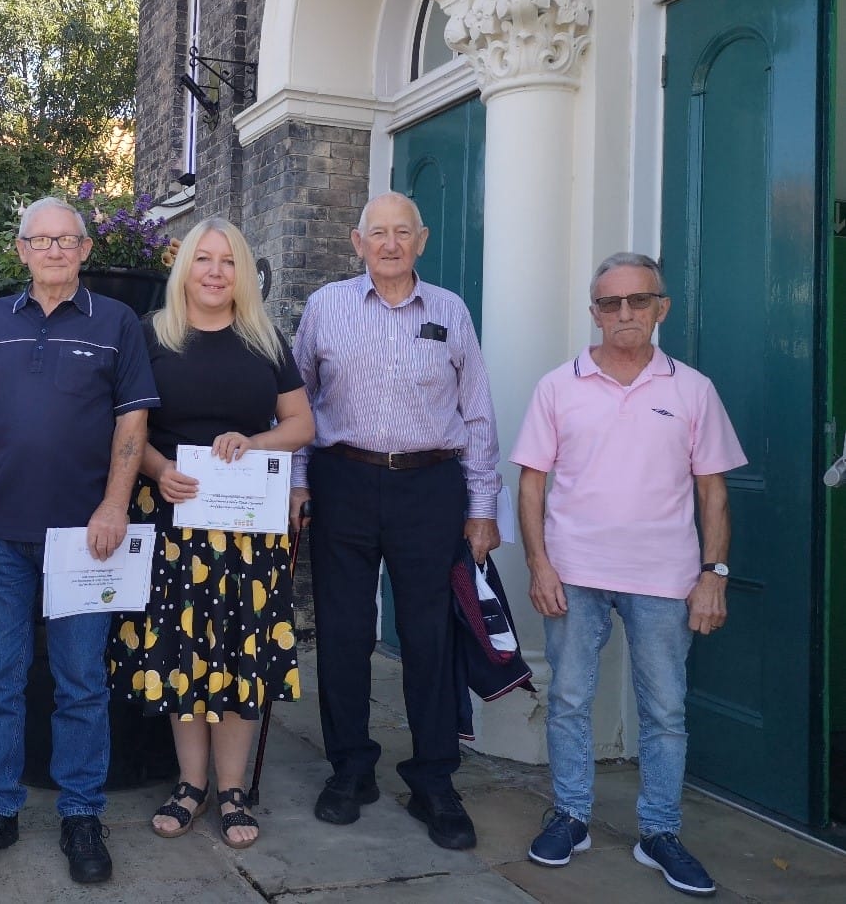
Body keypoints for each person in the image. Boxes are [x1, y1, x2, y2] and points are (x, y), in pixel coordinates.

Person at [512, 252, 746, 897]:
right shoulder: (559, 386)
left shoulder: (692, 389)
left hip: (666, 577)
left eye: (638, 301)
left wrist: (713, 575)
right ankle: (570, 816)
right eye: (610, 302)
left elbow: (713, 494)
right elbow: (531, 484)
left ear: (661, 308)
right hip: (574, 573)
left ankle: (661, 832)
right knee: (567, 701)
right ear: (593, 310)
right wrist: (539, 564)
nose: (624, 314)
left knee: (666, 712)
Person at [0, 197, 158, 884]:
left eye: (68, 239)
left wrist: (114, 506)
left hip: (83, 539)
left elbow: (131, 424)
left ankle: (80, 814)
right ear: (21, 250)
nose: (55, 250)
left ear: (86, 250)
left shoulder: (117, 322)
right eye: (41, 240)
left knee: (81, 683)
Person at [291, 191, 500, 850]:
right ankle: (350, 768)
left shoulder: (448, 311)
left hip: (429, 486)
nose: (388, 244)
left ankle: (433, 779)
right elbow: (294, 402)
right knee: (345, 633)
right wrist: (296, 483)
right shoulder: (325, 307)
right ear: (357, 243)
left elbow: (477, 414)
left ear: (421, 239)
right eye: (376, 233)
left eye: (400, 232)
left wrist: (482, 507)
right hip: (343, 480)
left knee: (428, 638)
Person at [108, 217, 314, 849]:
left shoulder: (264, 339)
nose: (216, 272)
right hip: (173, 521)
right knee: (182, 658)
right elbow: (127, 428)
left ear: (242, 272)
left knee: (238, 659)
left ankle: (232, 789)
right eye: (205, 259)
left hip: (247, 532)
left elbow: (301, 423)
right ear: (185, 268)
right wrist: (161, 469)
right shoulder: (151, 336)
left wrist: (253, 442)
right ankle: (189, 783)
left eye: (229, 261)